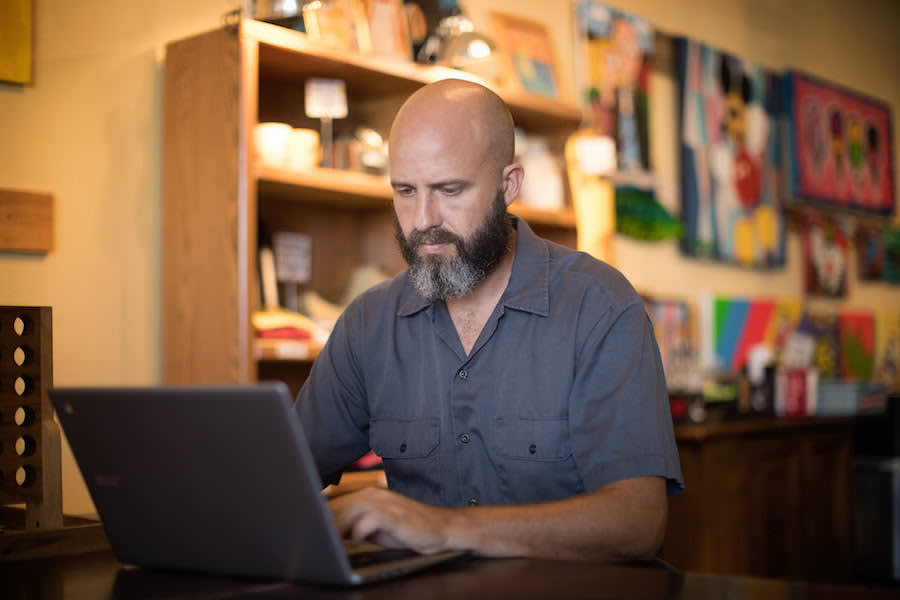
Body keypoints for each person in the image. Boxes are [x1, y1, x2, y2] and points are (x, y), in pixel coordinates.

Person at [295, 78, 683, 562]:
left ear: (509, 185)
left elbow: (637, 523)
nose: (422, 220)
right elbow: (281, 480)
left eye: (449, 190)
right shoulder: (368, 324)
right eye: (405, 191)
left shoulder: (600, 307)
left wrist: (446, 528)